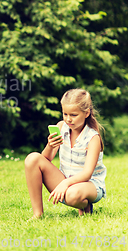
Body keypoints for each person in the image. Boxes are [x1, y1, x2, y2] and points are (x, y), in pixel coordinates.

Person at [25, 88, 106, 219]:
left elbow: (87, 174)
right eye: (65, 114)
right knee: (32, 159)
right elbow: (44, 160)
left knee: (73, 195)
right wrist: (50, 146)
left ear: (86, 113)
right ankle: (37, 214)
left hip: (89, 185)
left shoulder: (92, 138)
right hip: (66, 181)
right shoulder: (61, 127)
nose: (68, 119)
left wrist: (64, 184)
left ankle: (85, 203)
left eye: (74, 115)